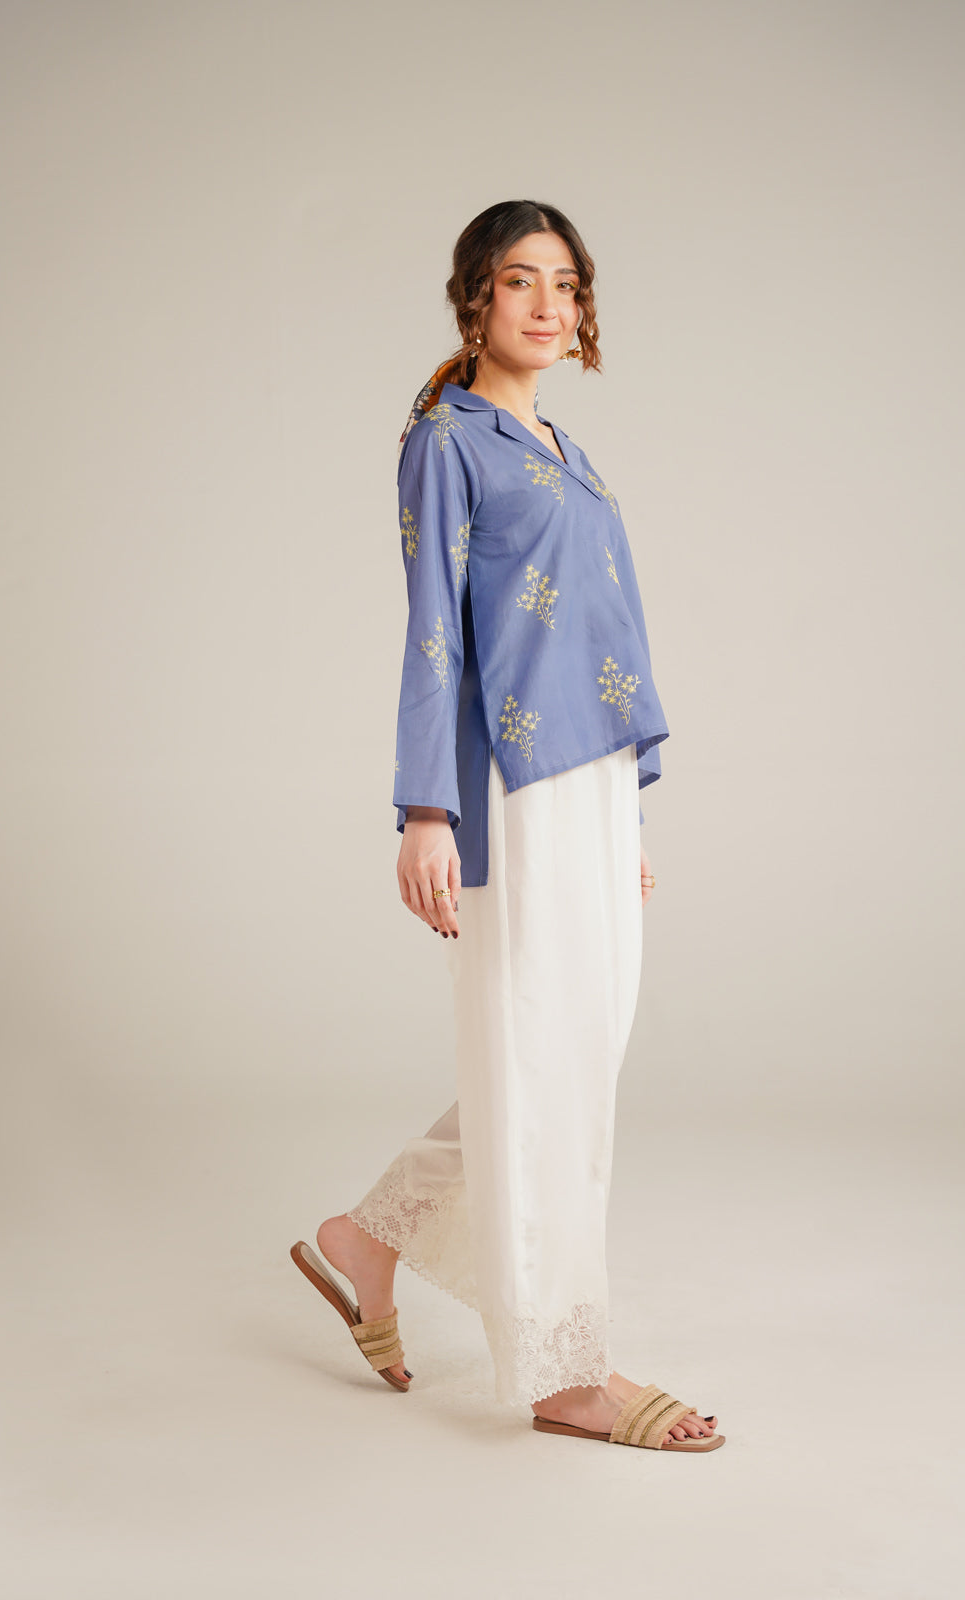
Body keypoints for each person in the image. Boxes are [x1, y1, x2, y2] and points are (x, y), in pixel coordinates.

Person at [292, 200, 724, 1454]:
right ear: (474, 296)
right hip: (512, 788)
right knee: (544, 1060)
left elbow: (591, 629)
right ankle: (560, 1369)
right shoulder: (448, 440)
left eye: (566, 284)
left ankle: (364, 1238)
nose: (547, 304)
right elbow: (433, 633)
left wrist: (618, 815)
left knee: (564, 1056)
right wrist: (426, 809)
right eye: (520, 280)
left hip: (589, 784)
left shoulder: (561, 445)